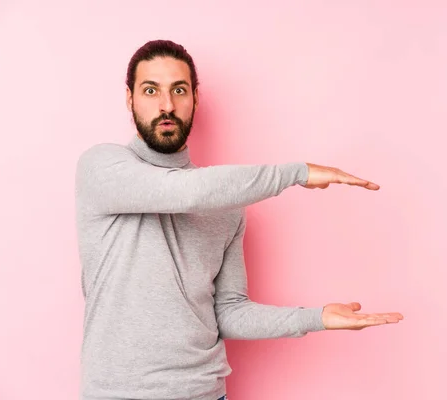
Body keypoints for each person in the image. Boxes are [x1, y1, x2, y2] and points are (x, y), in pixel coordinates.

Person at [75, 39, 403, 400]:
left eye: (179, 90)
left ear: (195, 99)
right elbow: (187, 193)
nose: (166, 105)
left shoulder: (228, 205)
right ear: (129, 98)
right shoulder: (102, 167)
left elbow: (229, 312)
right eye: (150, 90)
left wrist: (316, 318)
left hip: (205, 393)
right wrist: (296, 173)